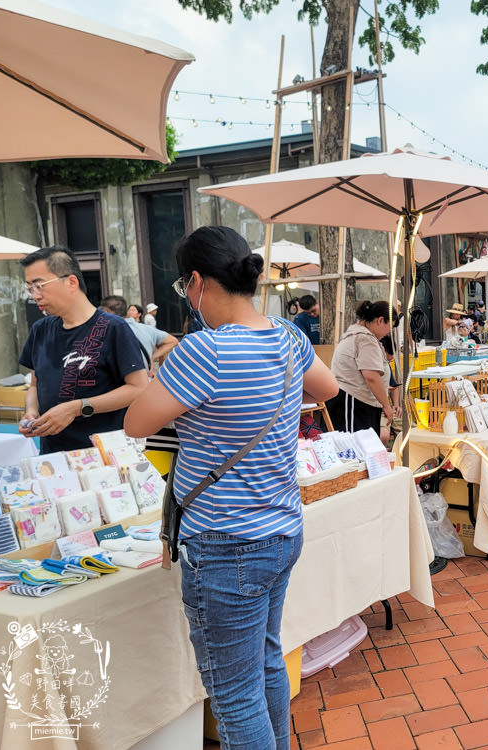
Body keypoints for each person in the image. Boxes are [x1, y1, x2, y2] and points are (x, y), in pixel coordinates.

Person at [123, 225, 339, 750]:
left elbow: (135, 423)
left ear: (196, 282)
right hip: (282, 527)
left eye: (182, 287)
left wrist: (163, 376)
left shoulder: (202, 352)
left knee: (234, 693)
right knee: (266, 661)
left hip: (224, 542)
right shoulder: (288, 335)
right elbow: (328, 387)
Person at [17, 247, 147, 453]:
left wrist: (76, 408)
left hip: (103, 455)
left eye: (39, 286)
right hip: (53, 455)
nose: (35, 295)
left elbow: (138, 388)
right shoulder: (40, 330)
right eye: (29, 288)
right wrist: (31, 412)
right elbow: (34, 385)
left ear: (71, 282)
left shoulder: (113, 328)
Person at [327, 300, 400, 434]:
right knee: (355, 447)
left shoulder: (359, 336)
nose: (388, 333)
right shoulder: (365, 339)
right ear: (380, 320)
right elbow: (371, 376)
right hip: (352, 402)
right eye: (389, 327)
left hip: (357, 402)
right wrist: (387, 406)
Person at [100, 294, 179, 373]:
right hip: (146, 380)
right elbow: (173, 341)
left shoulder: (107, 333)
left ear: (106, 311)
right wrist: (152, 356)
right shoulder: (147, 329)